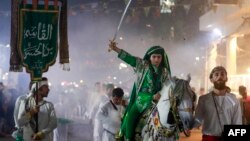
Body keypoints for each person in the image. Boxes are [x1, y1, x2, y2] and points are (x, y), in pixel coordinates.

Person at [109, 41, 171, 140]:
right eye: (154, 57)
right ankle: (128, 138)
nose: (156, 59)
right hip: (141, 100)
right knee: (129, 119)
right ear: (149, 57)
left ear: (162, 58)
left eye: (159, 57)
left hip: (158, 102)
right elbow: (130, 59)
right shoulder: (143, 65)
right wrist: (116, 49)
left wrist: (160, 94)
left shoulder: (165, 72)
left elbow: (167, 86)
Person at [194, 66, 242, 141]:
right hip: (209, 138)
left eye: (222, 74)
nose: (220, 76)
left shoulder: (234, 100)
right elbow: (197, 120)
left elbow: (237, 122)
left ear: (226, 78)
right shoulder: (203, 99)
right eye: (216, 74)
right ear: (211, 79)